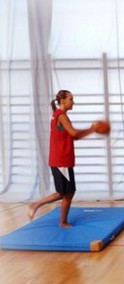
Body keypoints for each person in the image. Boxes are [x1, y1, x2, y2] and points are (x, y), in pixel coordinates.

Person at [28, 90, 104, 227]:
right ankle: (49, 213)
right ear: (62, 101)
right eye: (71, 99)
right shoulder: (61, 116)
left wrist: (92, 130)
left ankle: (50, 213)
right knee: (66, 193)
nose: (73, 102)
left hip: (62, 160)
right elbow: (74, 132)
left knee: (67, 192)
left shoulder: (59, 115)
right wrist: (92, 129)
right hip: (61, 161)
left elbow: (73, 136)